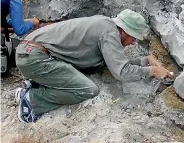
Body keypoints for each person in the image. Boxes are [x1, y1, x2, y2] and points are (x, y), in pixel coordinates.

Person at [15, 9, 170, 123]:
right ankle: (31, 99)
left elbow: (115, 63)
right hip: (35, 58)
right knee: (88, 89)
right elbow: (121, 72)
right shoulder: (110, 34)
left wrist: (145, 61)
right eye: (133, 38)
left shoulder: (105, 25)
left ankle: (36, 84)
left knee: (80, 73)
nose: (133, 43)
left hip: (30, 52)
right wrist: (153, 71)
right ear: (126, 32)